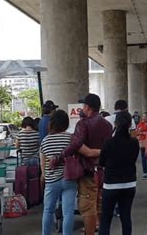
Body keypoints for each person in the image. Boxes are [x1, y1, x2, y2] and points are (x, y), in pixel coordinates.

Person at [62, 94, 112, 235]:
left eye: (83, 106)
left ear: (87, 107)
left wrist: (60, 156)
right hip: (104, 170)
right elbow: (108, 148)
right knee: (101, 204)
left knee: (87, 206)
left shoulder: (83, 124)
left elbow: (79, 146)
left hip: (88, 171)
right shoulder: (107, 125)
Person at [98, 111, 139, 235]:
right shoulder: (134, 142)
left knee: (106, 218)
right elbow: (134, 159)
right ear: (129, 125)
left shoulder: (108, 142)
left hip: (111, 184)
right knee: (126, 216)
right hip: (129, 183)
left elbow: (102, 162)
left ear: (115, 124)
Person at [40, 110, 77, 235]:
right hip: (69, 179)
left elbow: (43, 164)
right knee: (68, 212)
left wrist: (46, 176)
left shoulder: (45, 140)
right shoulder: (71, 138)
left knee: (48, 211)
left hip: (51, 181)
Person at [136, 112, 147, 179]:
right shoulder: (140, 124)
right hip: (142, 143)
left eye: (145, 116)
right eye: (143, 116)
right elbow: (137, 132)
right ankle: (145, 172)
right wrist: (143, 133)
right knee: (143, 158)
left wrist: (145, 133)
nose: (143, 118)